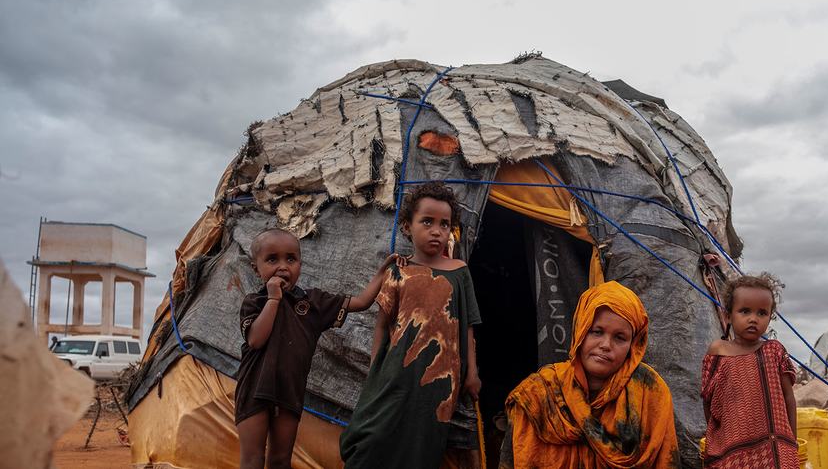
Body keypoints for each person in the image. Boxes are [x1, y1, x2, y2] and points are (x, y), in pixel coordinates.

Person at [340, 182, 484, 468]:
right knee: (373, 435)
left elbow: (467, 326)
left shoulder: (460, 272)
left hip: (441, 380)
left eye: (444, 224)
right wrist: (375, 369)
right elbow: (382, 324)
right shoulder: (399, 271)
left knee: (423, 442)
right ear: (407, 226)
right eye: (427, 222)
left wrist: (472, 372)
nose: (436, 230)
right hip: (397, 372)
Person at [235, 228, 389, 469]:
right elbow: (255, 340)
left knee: (280, 460)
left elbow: (360, 302)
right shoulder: (254, 302)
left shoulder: (313, 302)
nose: (283, 266)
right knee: (252, 460)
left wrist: (383, 272)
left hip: (290, 390)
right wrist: (273, 299)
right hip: (254, 387)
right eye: (272, 259)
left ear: (300, 264)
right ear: (256, 268)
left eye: (291, 259)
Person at [500, 281, 679, 469]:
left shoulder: (649, 393)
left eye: (620, 337)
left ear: (633, 347)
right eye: (597, 332)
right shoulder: (538, 395)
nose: (606, 345)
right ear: (580, 331)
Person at [702, 273, 799, 469]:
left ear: (770, 318)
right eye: (745, 311)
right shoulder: (718, 351)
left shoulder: (774, 351)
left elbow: (789, 397)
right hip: (731, 446)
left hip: (775, 448)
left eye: (761, 313)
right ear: (727, 315)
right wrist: (716, 433)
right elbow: (708, 398)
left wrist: (791, 440)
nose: (753, 319)